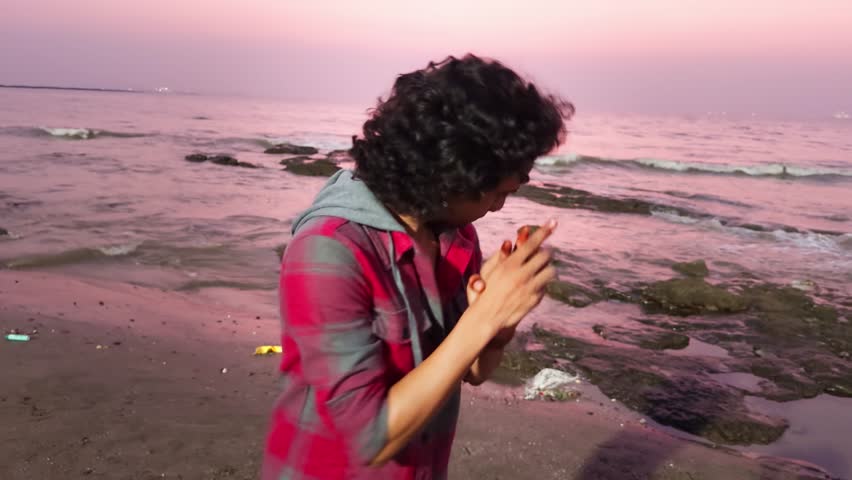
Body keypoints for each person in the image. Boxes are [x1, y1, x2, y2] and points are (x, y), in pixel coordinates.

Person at [262, 54, 572, 480]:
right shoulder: (328, 250)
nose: (500, 206)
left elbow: (476, 371)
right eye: (496, 193)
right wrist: (483, 316)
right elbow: (368, 438)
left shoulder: (454, 235)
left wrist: (503, 318)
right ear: (450, 177)